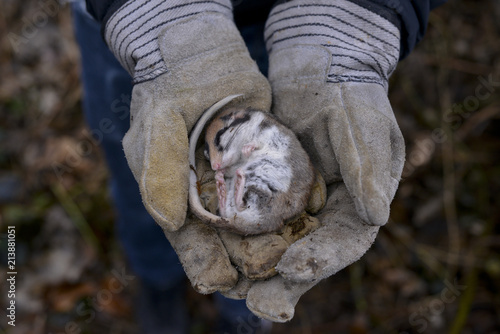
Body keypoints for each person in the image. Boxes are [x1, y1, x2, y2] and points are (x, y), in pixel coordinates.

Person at [71, 0, 446, 332]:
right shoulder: (245, 142)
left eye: (220, 162)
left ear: (247, 145)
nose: (216, 167)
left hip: (293, 30)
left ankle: (241, 318)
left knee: (183, 197)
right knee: (147, 177)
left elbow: (237, 162)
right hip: (138, 28)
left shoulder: (253, 145)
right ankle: (156, 278)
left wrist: (355, 13)